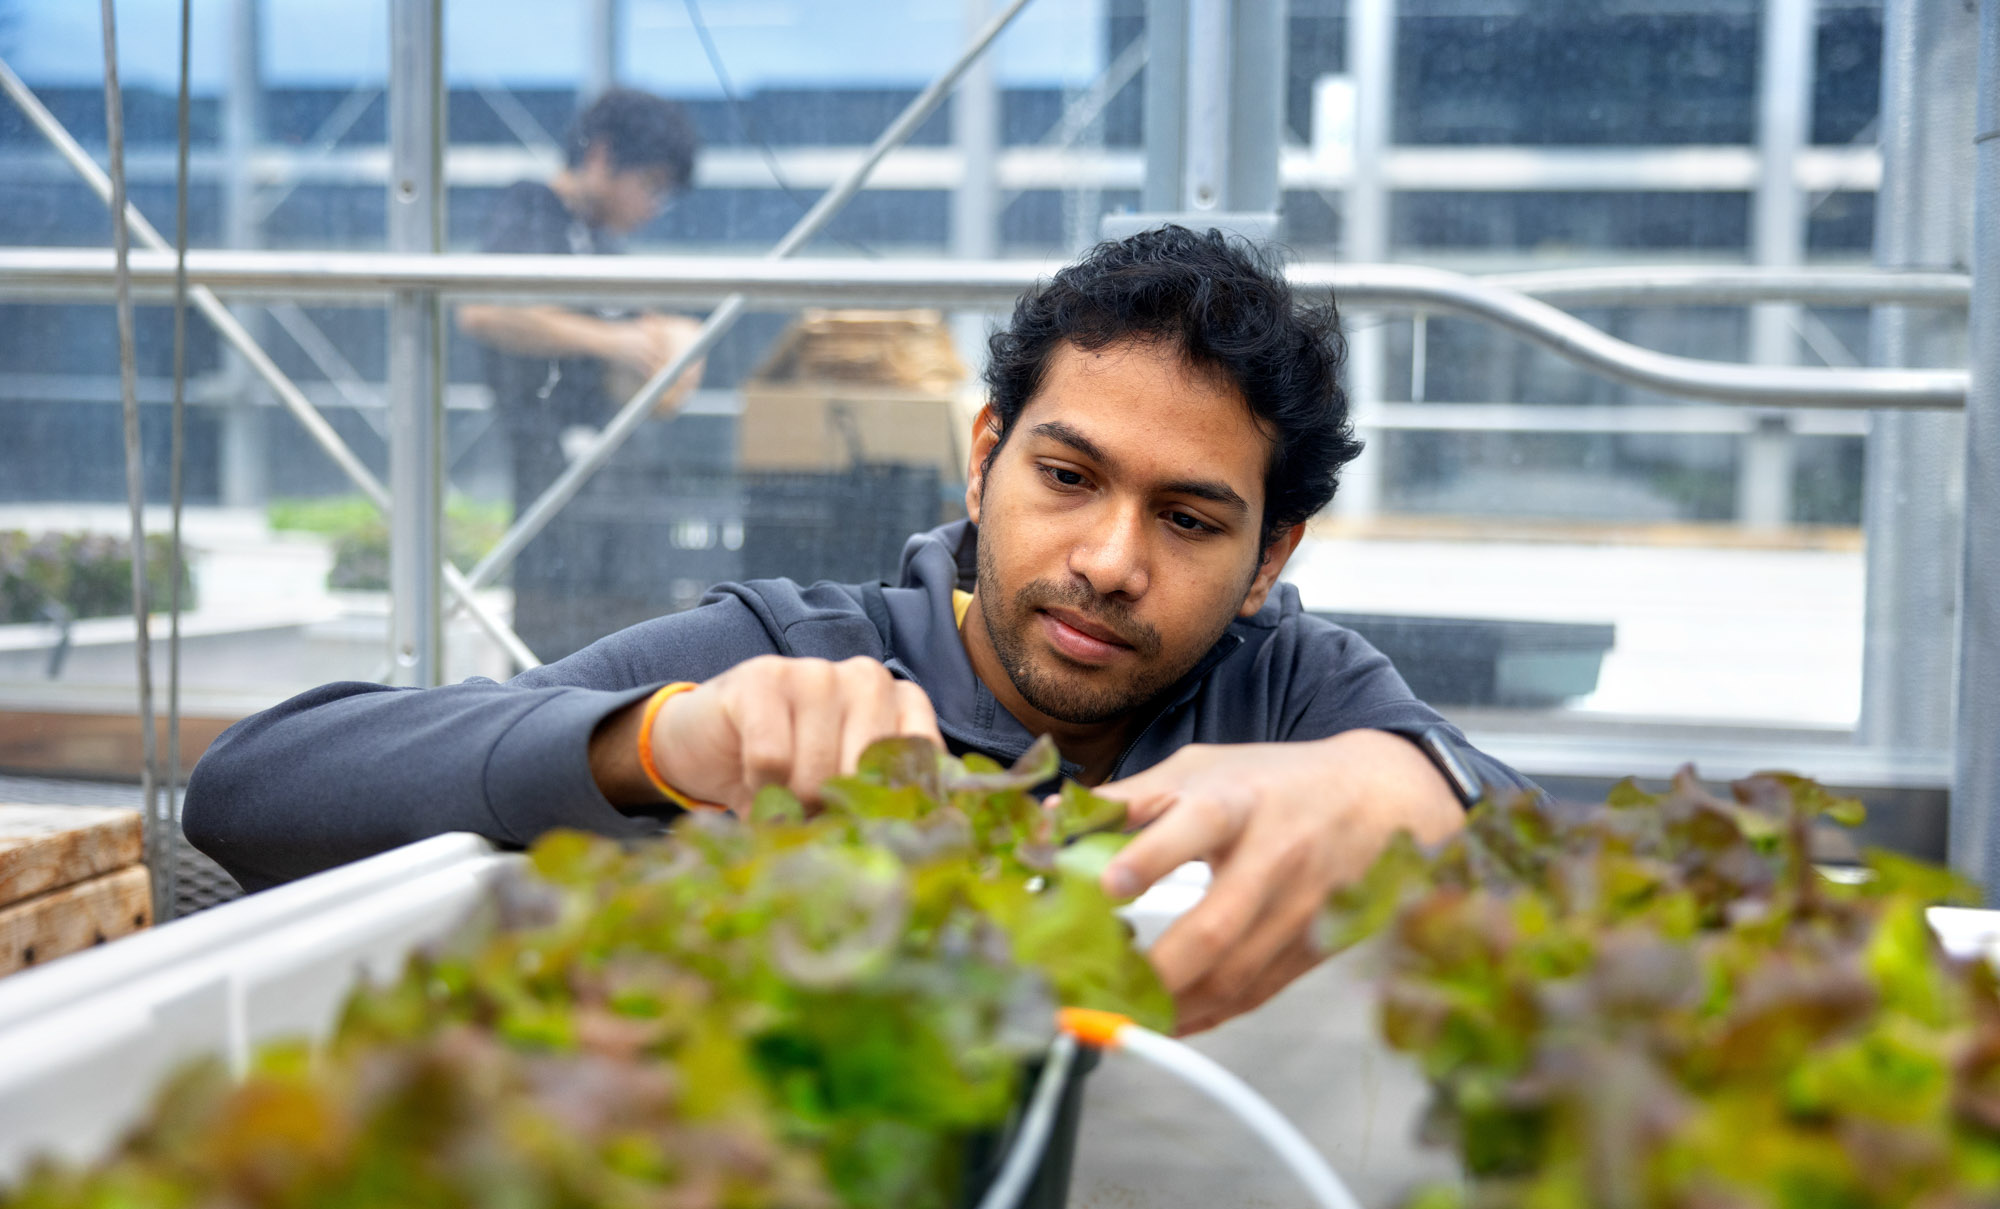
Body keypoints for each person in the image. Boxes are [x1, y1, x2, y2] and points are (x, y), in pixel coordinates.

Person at [187, 226, 1526, 1035]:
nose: (1109, 562)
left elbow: (1653, 888)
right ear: (985, 459)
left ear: (1267, 558)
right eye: (1067, 478)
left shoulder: (1303, 692)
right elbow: (250, 790)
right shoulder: (792, 647)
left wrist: (1429, 788)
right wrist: (659, 744)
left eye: (1188, 518)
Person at [456, 87, 707, 659]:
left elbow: (647, 358)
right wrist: (614, 342)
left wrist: (672, 339)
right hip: (552, 474)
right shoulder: (531, 210)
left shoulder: (602, 248)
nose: (651, 206)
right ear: (599, 156)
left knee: (630, 643)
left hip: (617, 488)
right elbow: (484, 307)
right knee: (554, 646)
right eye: (649, 185)